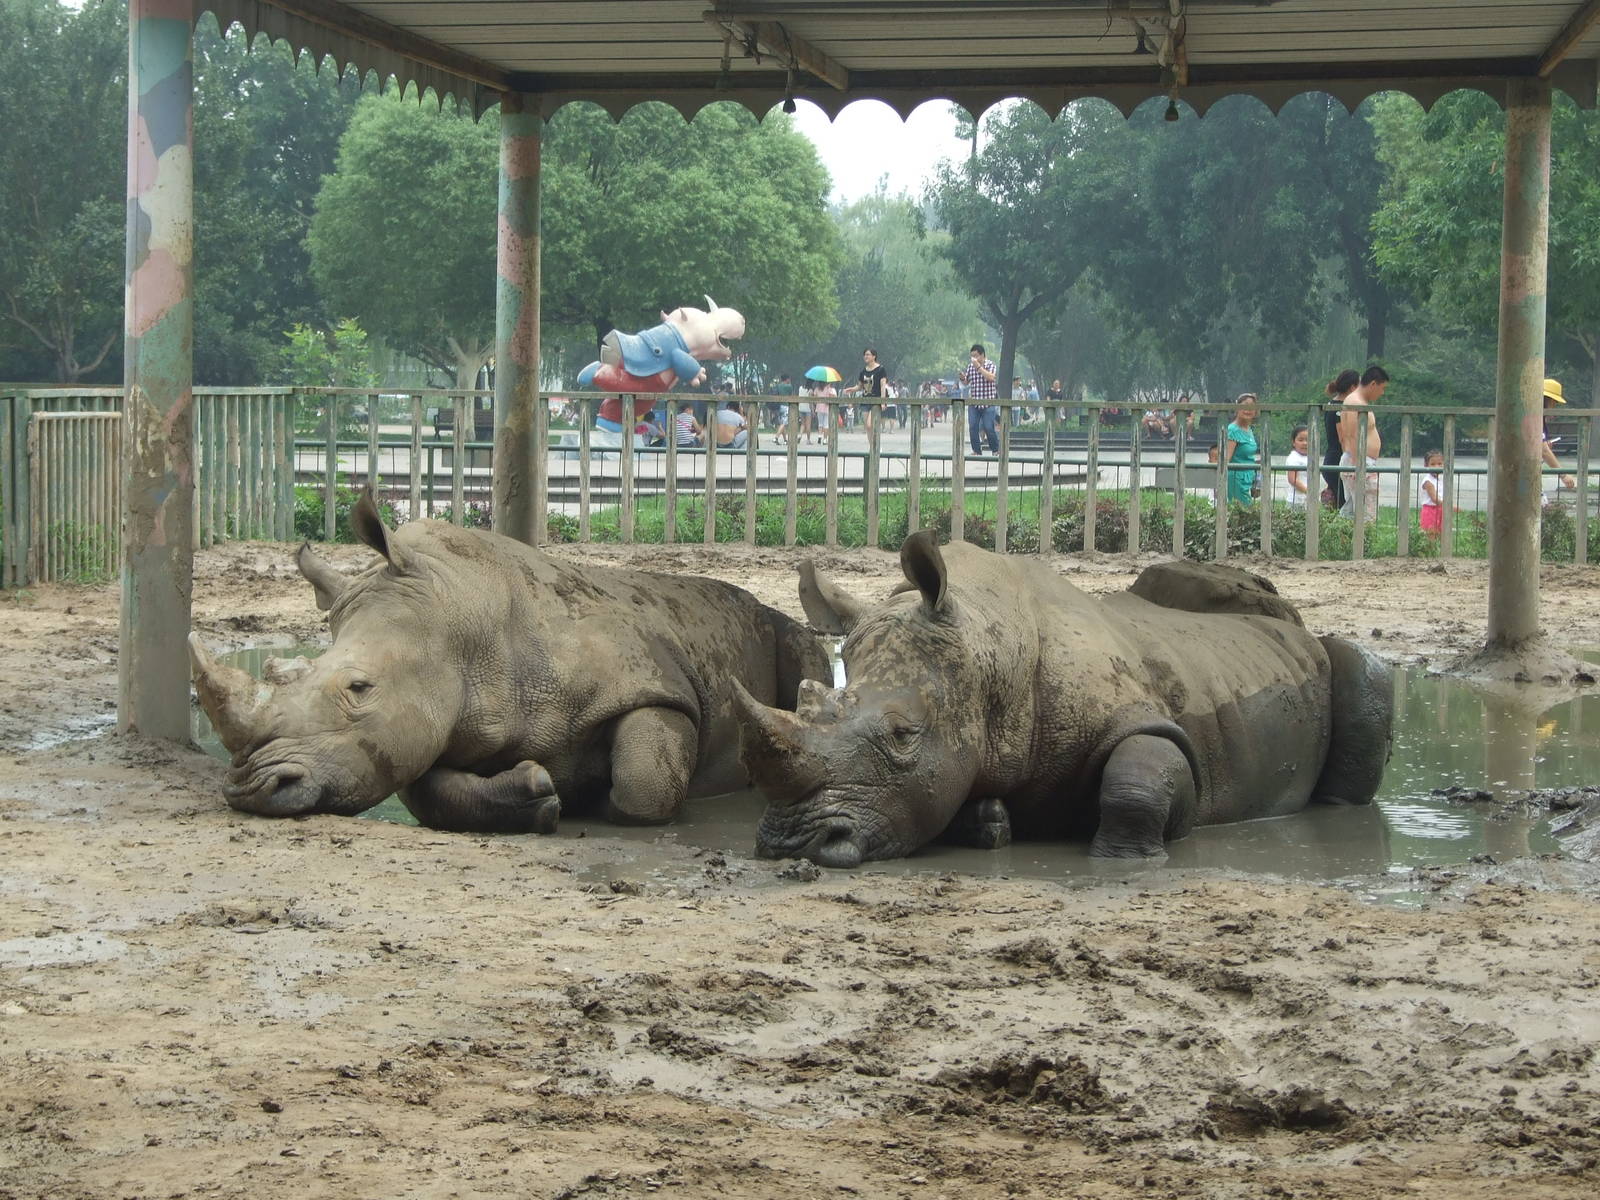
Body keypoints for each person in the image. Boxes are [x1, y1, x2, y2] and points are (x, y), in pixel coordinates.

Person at [1338, 365, 1389, 524]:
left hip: (1360, 461)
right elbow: (1353, 435)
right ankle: (1360, 545)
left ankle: (1349, 543)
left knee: (1353, 510)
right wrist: (1358, 465)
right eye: (1382, 388)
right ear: (1373, 384)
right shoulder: (1355, 401)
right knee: (1365, 514)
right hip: (1359, 461)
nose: (1382, 393)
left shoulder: (1358, 401)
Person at [1321, 369, 1359, 510]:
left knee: (1338, 504)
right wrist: (1350, 462)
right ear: (1352, 387)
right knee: (1345, 504)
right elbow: (1343, 438)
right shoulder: (1340, 408)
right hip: (1337, 461)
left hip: (1331, 459)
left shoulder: (1332, 404)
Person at [959, 343, 999, 455]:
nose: (974, 358)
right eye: (972, 356)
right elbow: (967, 382)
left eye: (976, 356)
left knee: (988, 427)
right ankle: (976, 450)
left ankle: (995, 449)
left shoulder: (991, 365)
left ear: (982, 355)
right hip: (974, 403)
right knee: (973, 427)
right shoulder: (970, 366)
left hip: (988, 403)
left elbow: (991, 378)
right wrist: (962, 378)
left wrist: (979, 367)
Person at [1541, 378, 1578, 496]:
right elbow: (1543, 450)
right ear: (1548, 400)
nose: (1554, 406)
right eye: (1554, 402)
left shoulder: (1539, 419)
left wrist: (1545, 447)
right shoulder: (1535, 419)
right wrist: (1563, 474)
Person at [1222, 394, 1260, 506]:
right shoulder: (1233, 430)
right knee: (1240, 512)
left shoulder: (1249, 429)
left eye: (1251, 407)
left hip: (1248, 478)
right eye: (1245, 406)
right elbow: (1226, 459)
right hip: (1236, 479)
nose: (1248, 410)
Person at [845, 348, 888, 434]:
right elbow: (860, 386)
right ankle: (872, 447)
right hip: (865, 401)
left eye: (868, 354)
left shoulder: (881, 369)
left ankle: (875, 446)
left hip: (876, 400)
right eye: (865, 355)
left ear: (874, 356)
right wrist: (852, 389)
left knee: (870, 425)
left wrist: (883, 401)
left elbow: (883, 385)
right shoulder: (863, 371)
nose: (866, 356)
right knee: (867, 428)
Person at [1419, 448, 1446, 539]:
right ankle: (1429, 551)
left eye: (1439, 464)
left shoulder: (1439, 480)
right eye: (1433, 464)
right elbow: (1434, 498)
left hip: (1440, 509)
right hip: (1430, 510)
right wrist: (1448, 506)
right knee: (1430, 534)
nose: (1437, 467)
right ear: (1426, 465)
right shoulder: (1428, 481)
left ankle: (1437, 552)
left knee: (1440, 533)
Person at [1284, 424, 1310, 507]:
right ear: (1293, 442)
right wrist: (1308, 492)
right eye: (1301, 440)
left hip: (1306, 500)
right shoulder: (1293, 458)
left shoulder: (1309, 457)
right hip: (1296, 501)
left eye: (1308, 440)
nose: (1305, 443)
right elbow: (1292, 479)